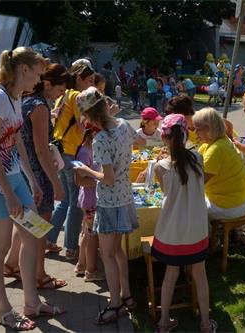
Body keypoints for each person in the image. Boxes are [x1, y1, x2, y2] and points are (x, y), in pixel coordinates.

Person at [0, 47, 63, 331]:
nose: (39, 80)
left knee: (33, 235)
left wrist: (31, 180)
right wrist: (9, 193)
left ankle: (32, 303)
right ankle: (4, 310)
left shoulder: (14, 96)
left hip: (14, 179)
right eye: (37, 73)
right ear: (23, 70)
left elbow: (18, 142)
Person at [73, 87, 145, 324]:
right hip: (125, 196)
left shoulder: (101, 140)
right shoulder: (123, 124)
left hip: (109, 201)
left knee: (108, 253)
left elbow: (108, 178)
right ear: (105, 104)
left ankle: (114, 304)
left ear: (90, 116)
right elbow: (141, 141)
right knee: (117, 251)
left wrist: (86, 170)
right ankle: (126, 296)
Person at [3, 63, 68, 290]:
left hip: (22, 171)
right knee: (40, 227)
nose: (60, 95)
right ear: (47, 84)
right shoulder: (39, 107)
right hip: (38, 175)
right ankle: (39, 275)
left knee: (27, 223)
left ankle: (12, 264)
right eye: (60, 91)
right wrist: (56, 183)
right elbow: (41, 150)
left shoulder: (26, 100)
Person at [152, 114, 217, 333]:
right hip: (195, 228)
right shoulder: (198, 158)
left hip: (172, 230)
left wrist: (164, 157)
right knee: (200, 274)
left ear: (164, 137)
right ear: (186, 133)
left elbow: (165, 191)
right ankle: (206, 324)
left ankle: (163, 322)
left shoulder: (160, 167)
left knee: (171, 273)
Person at [46, 62, 95, 259]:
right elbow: (84, 124)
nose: (91, 85)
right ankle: (72, 248)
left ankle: (49, 239)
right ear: (79, 79)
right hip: (70, 153)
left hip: (60, 152)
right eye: (89, 81)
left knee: (66, 200)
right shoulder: (75, 97)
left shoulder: (62, 97)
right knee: (75, 202)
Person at [193, 108, 245, 220]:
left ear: (208, 129)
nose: (195, 133)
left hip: (230, 206)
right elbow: (193, 161)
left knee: (188, 208)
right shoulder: (218, 141)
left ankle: (202, 236)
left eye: (197, 129)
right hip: (237, 200)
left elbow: (198, 181)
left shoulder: (217, 149)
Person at [74, 127, 105, 282]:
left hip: (89, 199)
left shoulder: (90, 149)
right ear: (92, 134)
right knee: (93, 236)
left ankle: (81, 264)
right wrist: (101, 182)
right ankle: (91, 271)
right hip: (90, 200)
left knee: (87, 233)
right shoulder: (85, 152)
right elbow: (79, 180)